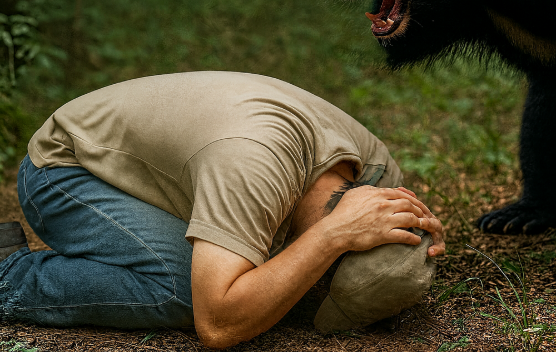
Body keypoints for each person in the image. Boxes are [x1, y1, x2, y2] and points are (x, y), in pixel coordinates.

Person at [0, 72, 444, 349]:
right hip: (68, 168)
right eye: (323, 285)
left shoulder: (377, 172)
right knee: (185, 292)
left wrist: (419, 233)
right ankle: (9, 274)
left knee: (260, 274)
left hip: (173, 156)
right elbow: (217, 324)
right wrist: (329, 238)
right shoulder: (251, 170)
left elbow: (383, 231)